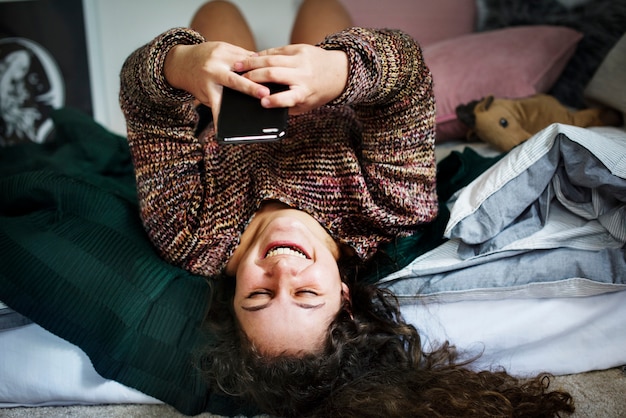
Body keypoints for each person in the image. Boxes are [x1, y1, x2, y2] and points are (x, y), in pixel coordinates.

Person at [119, 1, 574, 416]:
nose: (281, 274)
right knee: (322, 5)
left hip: (221, 108)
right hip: (336, 97)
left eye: (258, 297)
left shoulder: (188, 234)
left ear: (231, 304)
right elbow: (409, 77)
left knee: (217, 10)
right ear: (344, 296)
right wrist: (336, 70)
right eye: (305, 296)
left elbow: (144, 106)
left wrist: (179, 66)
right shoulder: (391, 210)